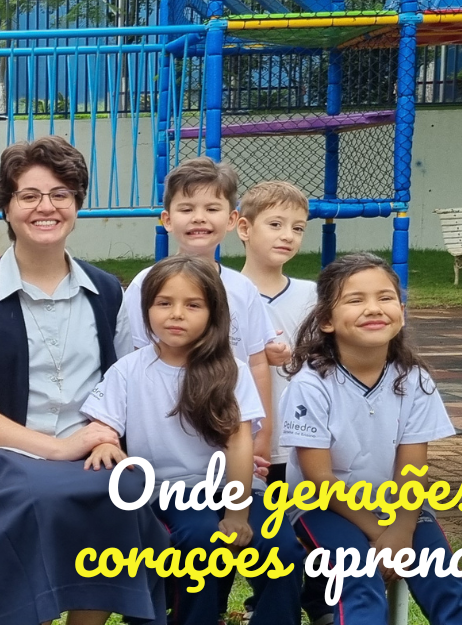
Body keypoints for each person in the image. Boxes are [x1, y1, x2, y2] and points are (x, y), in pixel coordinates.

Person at [0, 135, 166, 625]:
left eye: (60, 194)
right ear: (9, 208)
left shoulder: (105, 291)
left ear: (77, 204)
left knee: (123, 491)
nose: (46, 207)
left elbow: (126, 384)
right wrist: (54, 448)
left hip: (87, 454)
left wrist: (105, 435)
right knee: (40, 492)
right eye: (30, 195)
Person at [78, 255, 302, 625]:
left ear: (213, 313)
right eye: (164, 303)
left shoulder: (231, 370)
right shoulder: (130, 369)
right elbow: (104, 424)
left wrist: (237, 514)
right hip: (166, 492)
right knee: (200, 542)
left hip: (233, 490)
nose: (176, 314)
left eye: (192, 304)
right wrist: (105, 443)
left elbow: (239, 442)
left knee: (282, 548)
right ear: (146, 309)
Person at [280, 254, 462, 625]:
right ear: (326, 319)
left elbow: (412, 471)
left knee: (447, 586)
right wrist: (380, 535)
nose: (373, 308)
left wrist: (402, 531)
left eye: (385, 297)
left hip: (399, 509)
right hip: (322, 508)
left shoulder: (415, 380)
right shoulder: (311, 385)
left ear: (401, 312)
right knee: (358, 579)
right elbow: (319, 481)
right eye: (355, 300)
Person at [115, 158, 281, 468]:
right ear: (167, 219)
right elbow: (134, 363)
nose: (199, 218)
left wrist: (264, 431)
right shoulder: (144, 286)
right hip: (168, 435)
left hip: (233, 432)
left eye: (212, 209)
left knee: (239, 511)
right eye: (187, 208)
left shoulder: (243, 289)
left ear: (232, 219)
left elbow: (258, 362)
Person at [235, 180, 317, 485]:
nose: (288, 236)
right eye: (275, 224)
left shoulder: (313, 295)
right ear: (244, 228)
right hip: (246, 437)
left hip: (304, 436)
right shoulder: (226, 292)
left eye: (298, 228)